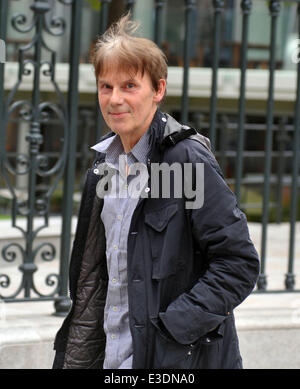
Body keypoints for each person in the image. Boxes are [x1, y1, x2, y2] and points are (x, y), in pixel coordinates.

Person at [52, 14, 259, 369]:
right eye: (106, 86)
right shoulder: (104, 166)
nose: (115, 99)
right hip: (107, 358)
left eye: (129, 86)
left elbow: (238, 263)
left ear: (158, 90)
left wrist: (172, 329)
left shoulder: (184, 160)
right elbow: (97, 275)